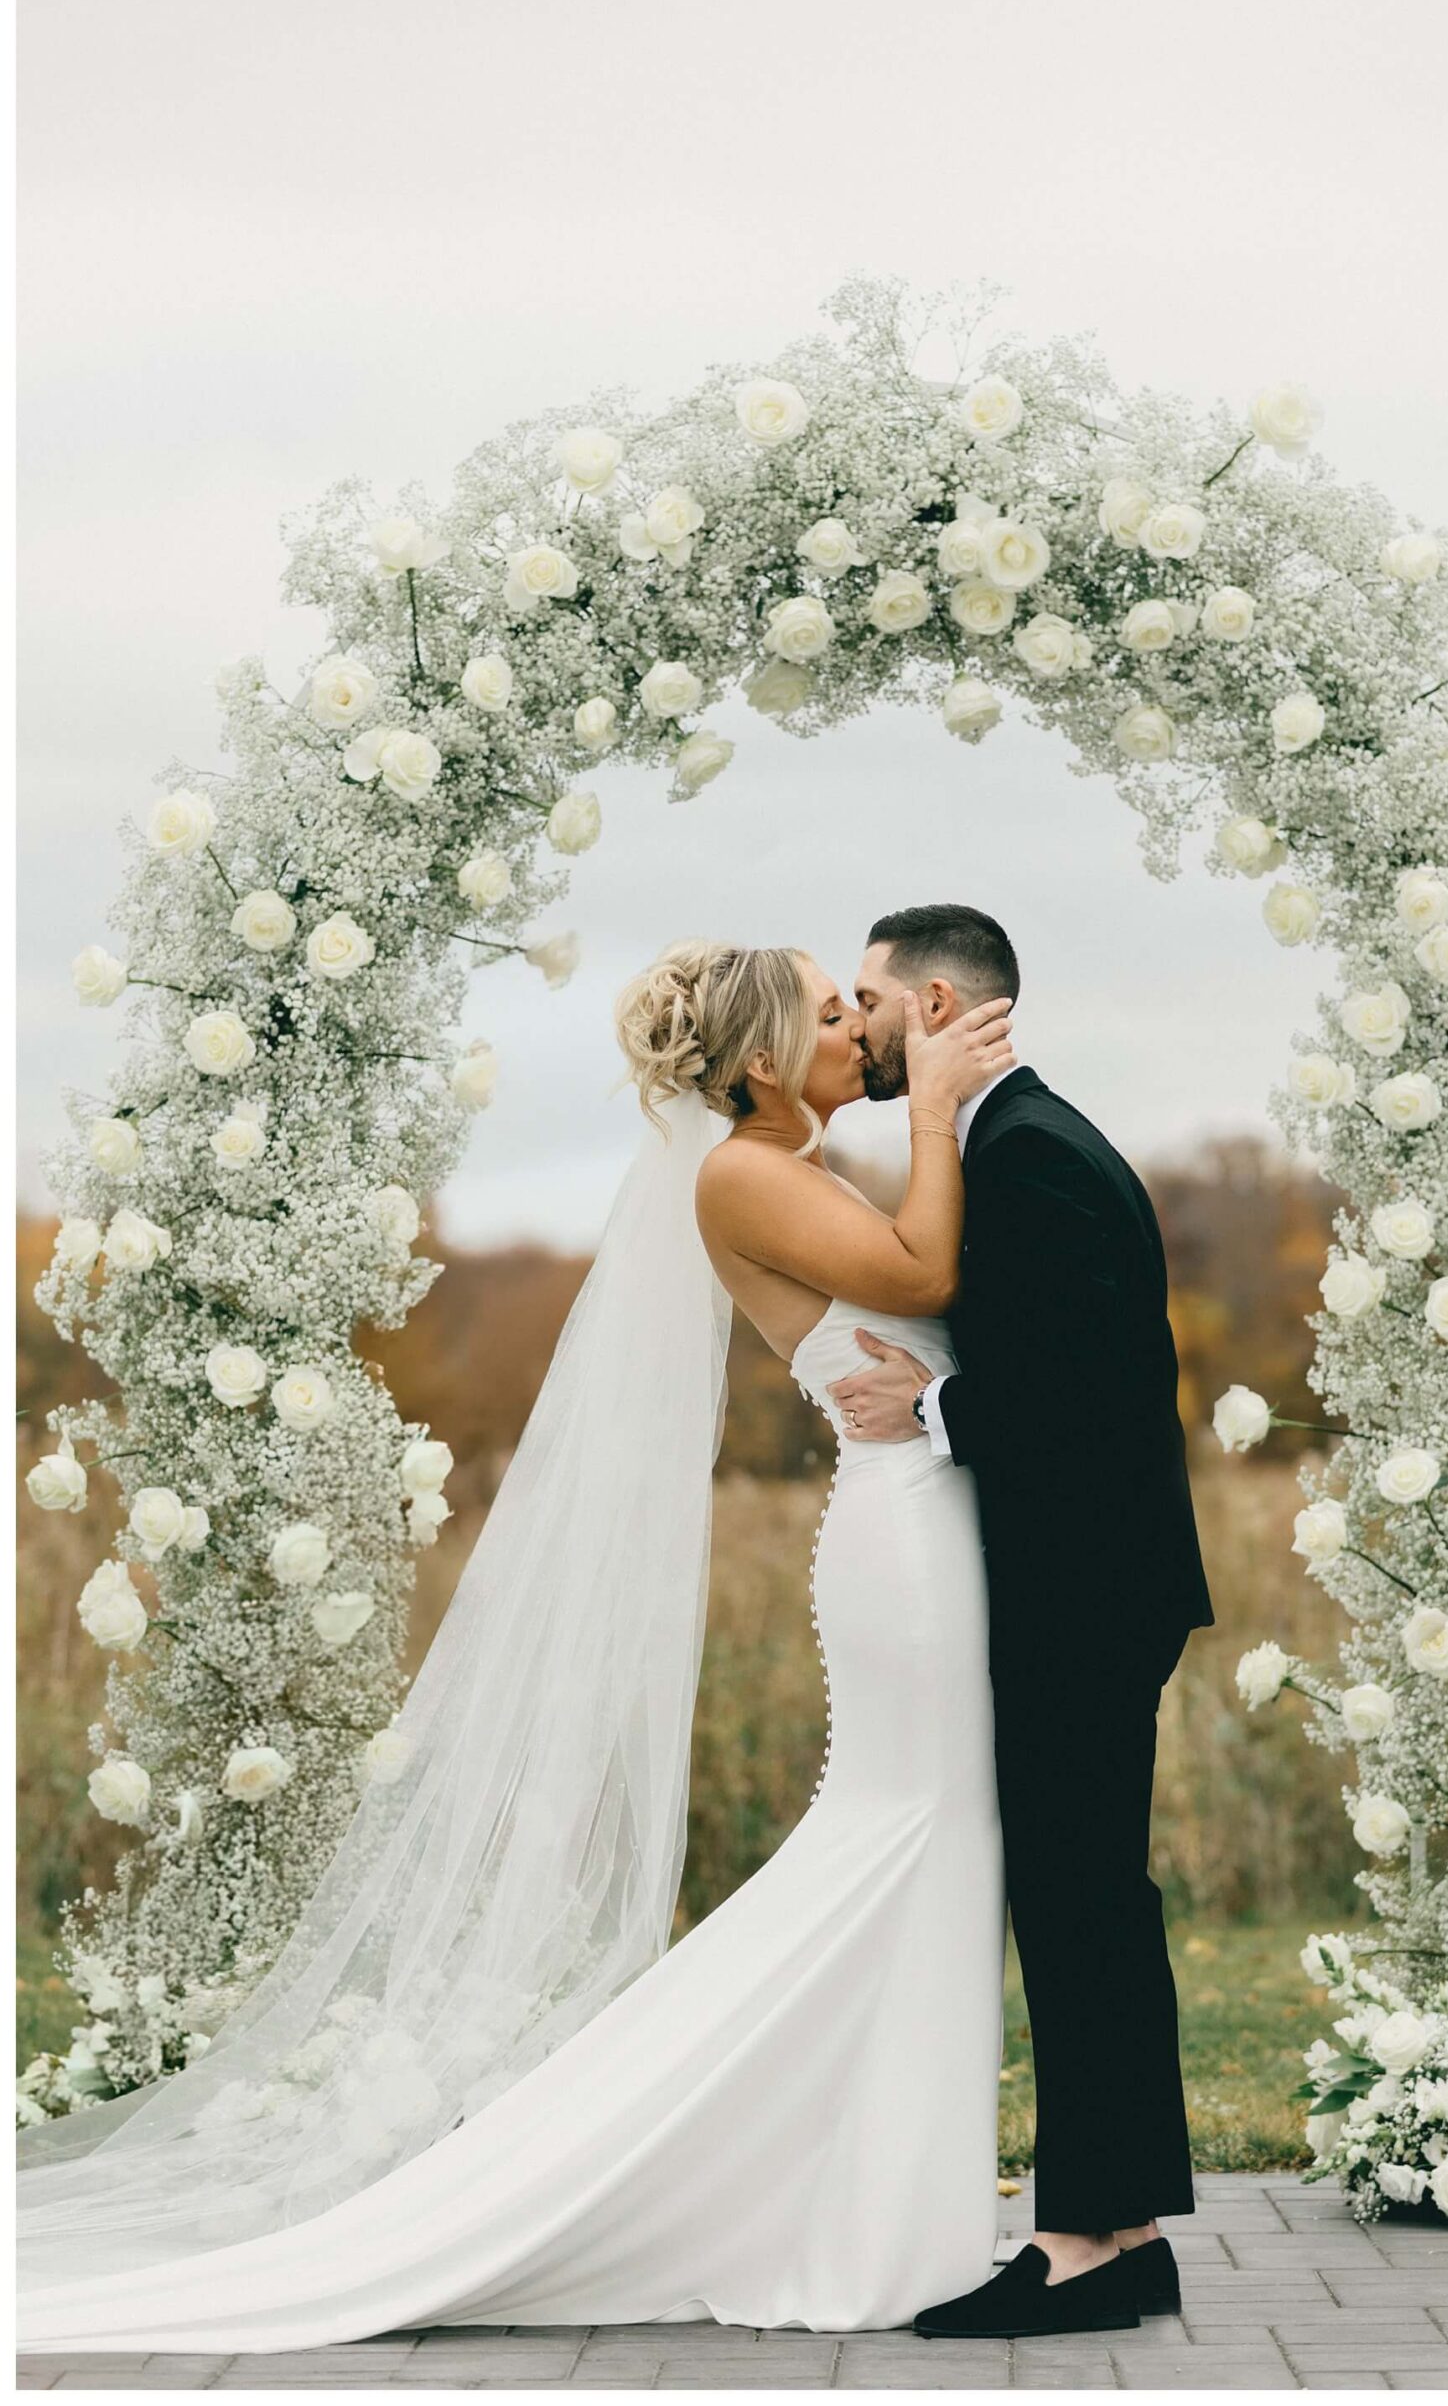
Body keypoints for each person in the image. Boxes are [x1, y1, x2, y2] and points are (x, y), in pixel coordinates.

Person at [18, 940, 1043, 2350]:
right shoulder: (742, 1173)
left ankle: (875, 2201)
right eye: (824, 1012)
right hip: (901, 1535)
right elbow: (926, 1276)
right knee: (904, 1832)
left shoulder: (804, 1166)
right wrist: (937, 1099)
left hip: (921, 1505)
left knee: (928, 1841)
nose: (854, 1027)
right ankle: (729, 2182)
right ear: (754, 1064)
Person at [834, 904, 1215, 2340]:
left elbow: (1085, 1398)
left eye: (867, 998)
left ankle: (1088, 2250)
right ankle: (1111, 2229)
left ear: (931, 1004)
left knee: (1080, 1905)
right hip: (1087, 1583)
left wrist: (924, 1407)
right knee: (1084, 1902)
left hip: (1083, 1589)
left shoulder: (1028, 1158)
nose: (855, 1024)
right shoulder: (1011, 1140)